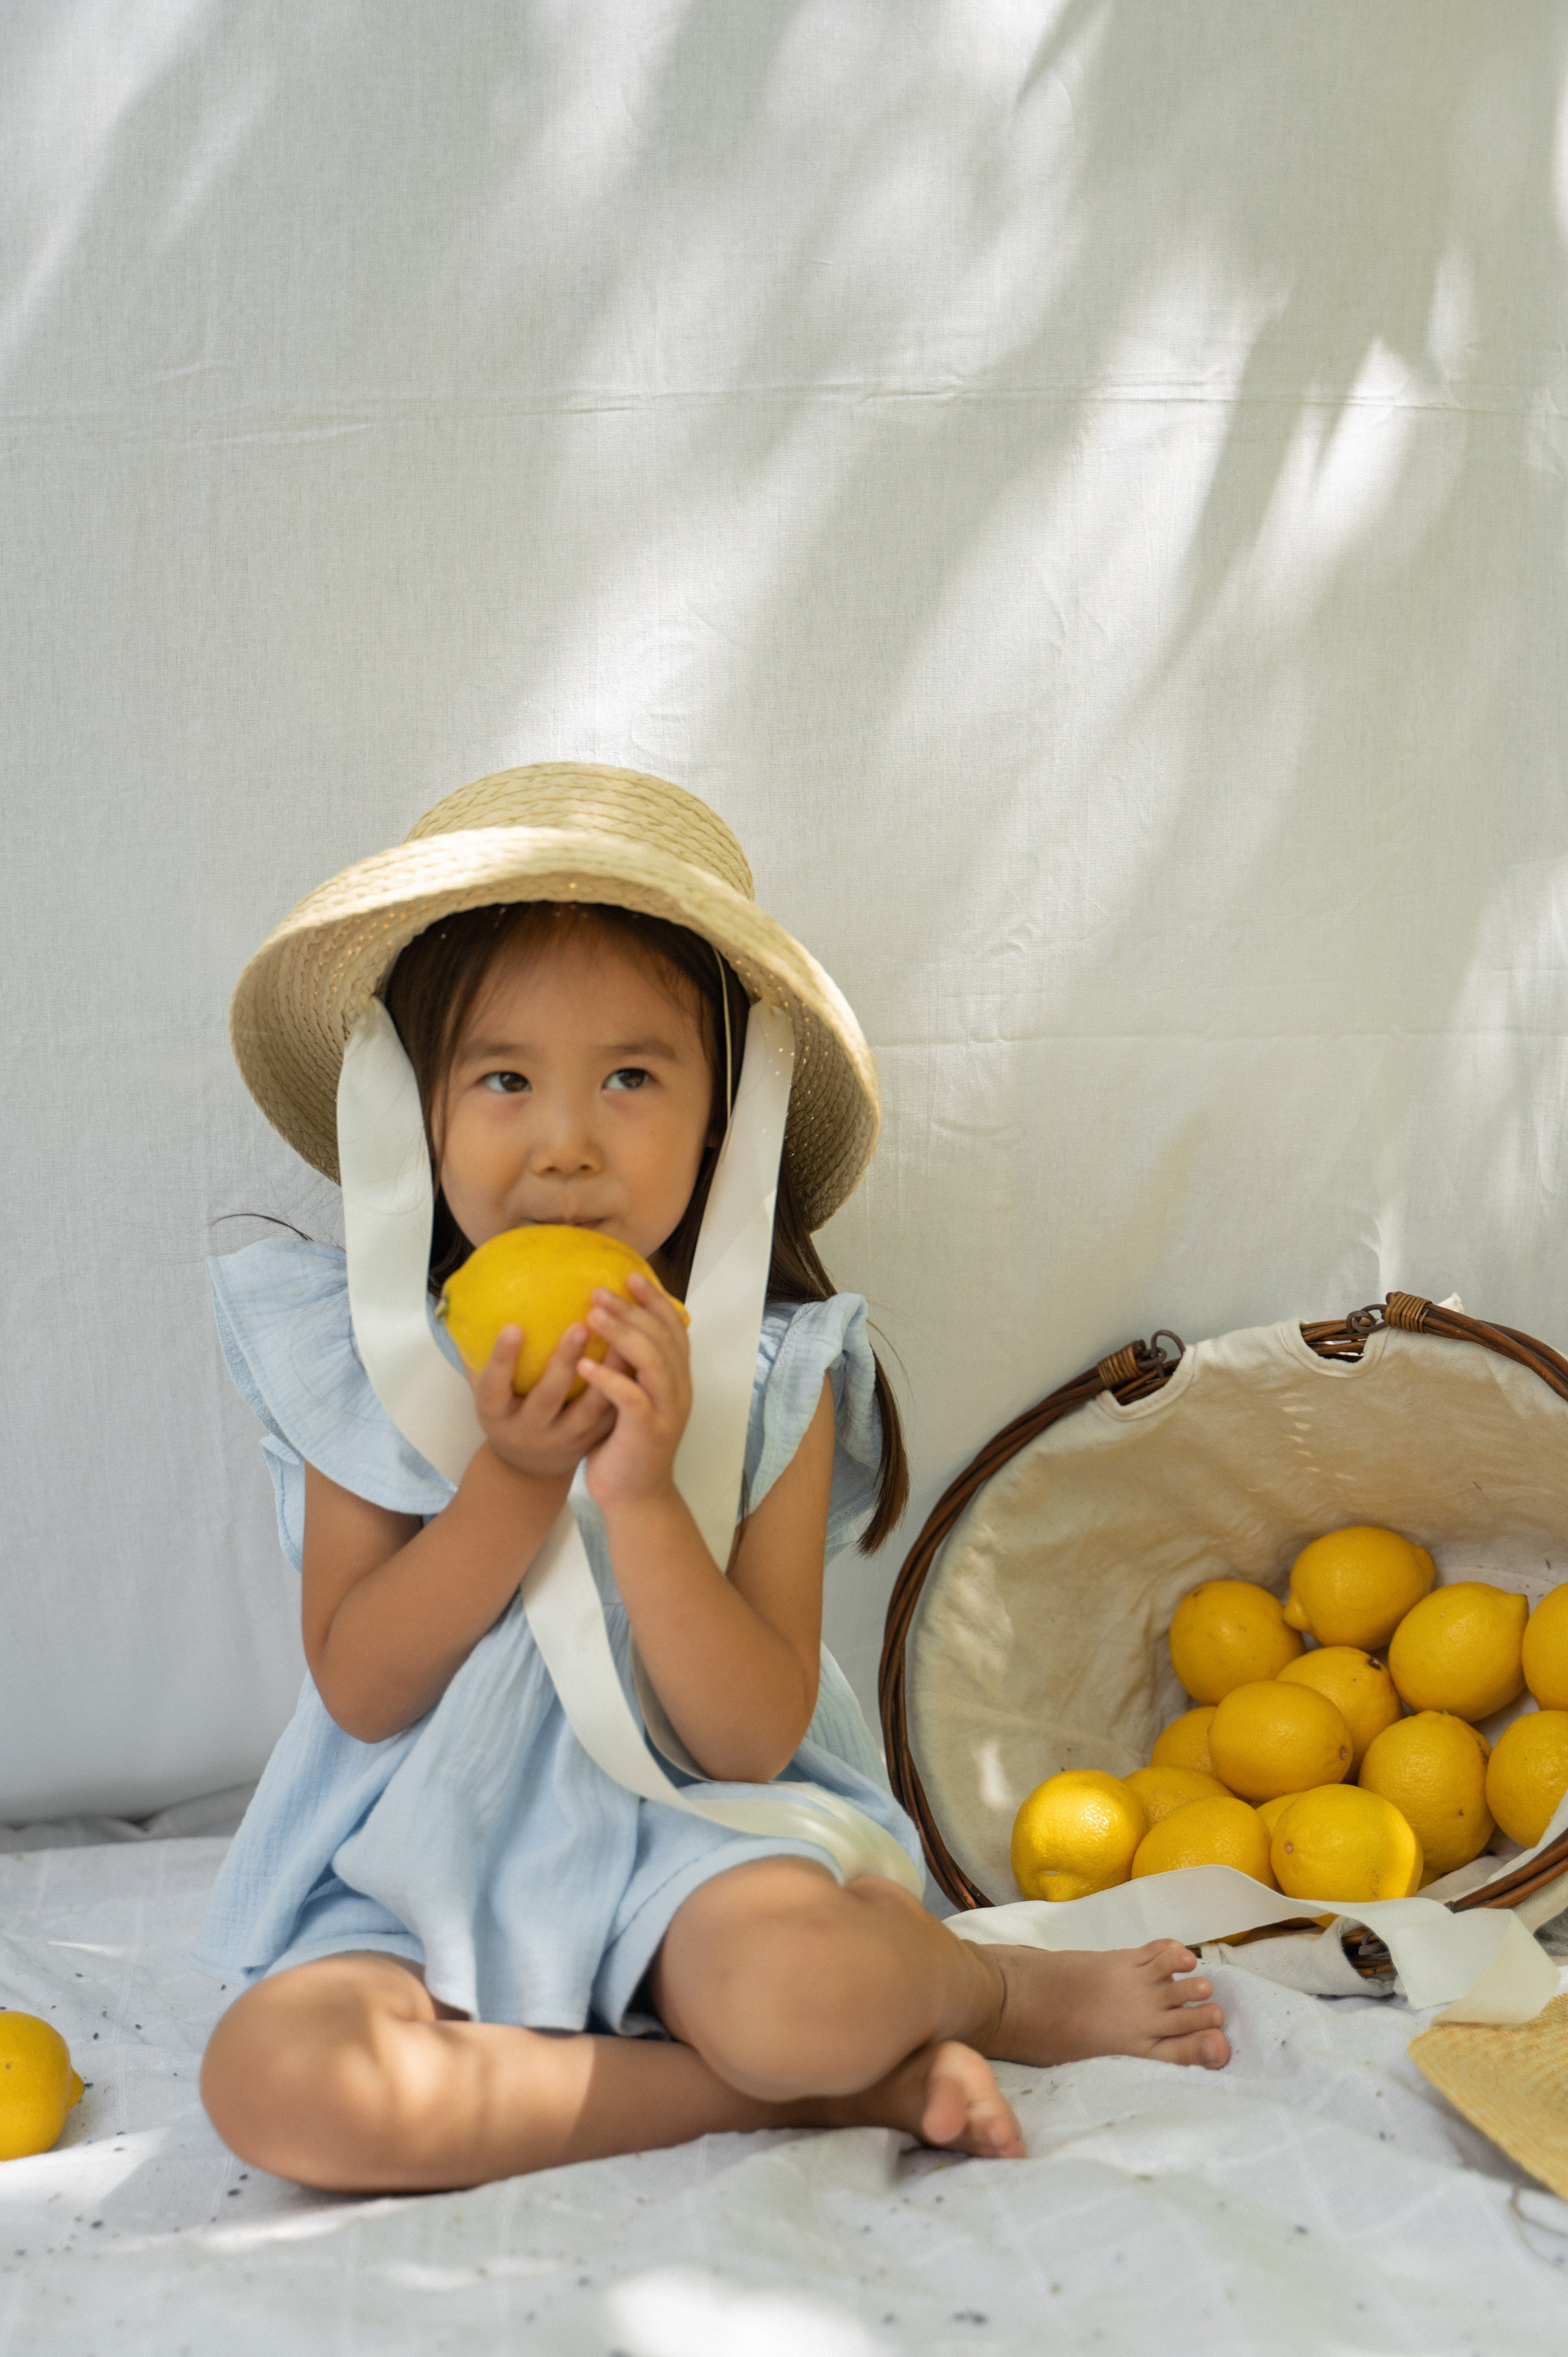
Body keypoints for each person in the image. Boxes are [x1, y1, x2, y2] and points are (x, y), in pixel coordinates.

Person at [197, 763, 1229, 2193]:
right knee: (280, 2090)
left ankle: (988, 1994)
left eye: (630, 1076)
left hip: (696, 1849)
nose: (565, 1139)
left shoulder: (771, 1378)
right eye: (504, 1078)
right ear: (416, 1115)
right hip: (411, 1877)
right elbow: (364, 1689)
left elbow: (745, 1740)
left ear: (722, 1122)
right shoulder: (356, 1359)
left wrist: (638, 1495)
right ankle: (807, 2102)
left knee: (804, 1993)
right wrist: (506, 1481)